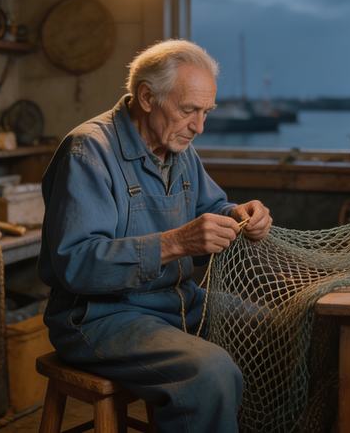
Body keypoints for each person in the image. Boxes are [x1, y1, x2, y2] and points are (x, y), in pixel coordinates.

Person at [38, 39, 272, 432]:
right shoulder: (88, 152)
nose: (199, 127)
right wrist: (177, 243)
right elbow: (75, 264)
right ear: (146, 97)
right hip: (100, 317)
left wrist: (237, 215)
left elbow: (208, 208)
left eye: (206, 112)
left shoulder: (179, 147)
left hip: (176, 302)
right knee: (210, 373)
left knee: (273, 330)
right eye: (189, 111)